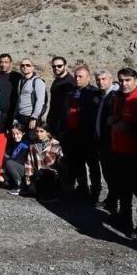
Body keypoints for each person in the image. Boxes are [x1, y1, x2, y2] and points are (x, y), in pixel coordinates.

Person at [108, 68, 137, 238]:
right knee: (122, 188)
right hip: (119, 149)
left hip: (136, 153)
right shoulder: (119, 96)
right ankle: (125, 220)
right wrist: (114, 121)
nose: (124, 84)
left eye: (127, 80)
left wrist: (127, 128)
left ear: (136, 81)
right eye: (121, 80)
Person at [61, 65, 102, 201]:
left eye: (80, 77)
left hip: (88, 135)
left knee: (92, 163)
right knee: (77, 162)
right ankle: (82, 186)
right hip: (72, 134)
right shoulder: (71, 93)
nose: (77, 79)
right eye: (76, 76)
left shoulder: (94, 93)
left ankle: (95, 191)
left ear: (88, 78)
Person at [94, 69, 120, 211]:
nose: (100, 82)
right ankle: (111, 200)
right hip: (102, 141)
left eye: (104, 79)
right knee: (108, 173)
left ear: (111, 79)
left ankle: (115, 204)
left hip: (113, 142)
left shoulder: (115, 96)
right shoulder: (100, 96)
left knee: (114, 174)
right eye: (98, 79)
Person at [21, 124, 64, 201]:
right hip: (38, 172)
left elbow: (61, 158)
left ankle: (51, 192)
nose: (39, 134)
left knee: (46, 176)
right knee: (33, 186)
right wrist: (28, 175)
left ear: (47, 133)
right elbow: (29, 161)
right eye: (37, 131)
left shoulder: (55, 143)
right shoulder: (33, 145)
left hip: (51, 172)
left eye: (41, 131)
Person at [46, 56, 76, 136]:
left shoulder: (70, 82)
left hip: (64, 125)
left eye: (59, 66)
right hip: (53, 123)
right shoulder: (56, 81)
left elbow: (68, 106)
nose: (56, 68)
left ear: (65, 66)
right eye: (54, 66)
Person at [0, 54, 21, 131]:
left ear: (10, 63)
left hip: (13, 114)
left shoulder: (17, 76)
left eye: (6, 62)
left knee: (13, 137)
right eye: (1, 62)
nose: (3, 64)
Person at [16, 59, 47, 131]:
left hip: (31, 117)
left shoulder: (38, 81)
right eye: (22, 65)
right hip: (21, 116)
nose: (25, 67)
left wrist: (34, 117)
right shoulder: (21, 81)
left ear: (32, 67)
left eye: (28, 65)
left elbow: (40, 101)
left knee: (32, 139)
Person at [2, 124, 31, 194]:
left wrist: (4, 167)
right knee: (4, 181)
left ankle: (20, 186)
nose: (15, 136)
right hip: (17, 167)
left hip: (25, 169)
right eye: (13, 134)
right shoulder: (16, 143)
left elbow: (20, 160)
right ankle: (14, 183)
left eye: (18, 134)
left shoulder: (25, 144)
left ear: (23, 133)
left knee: (9, 163)